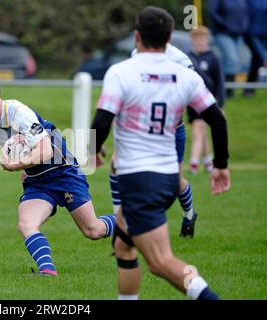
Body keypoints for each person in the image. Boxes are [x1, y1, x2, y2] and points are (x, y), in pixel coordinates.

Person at [90, 6, 230, 299]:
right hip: (167, 178)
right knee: (123, 246)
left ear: (136, 36)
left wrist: (94, 149)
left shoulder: (121, 72)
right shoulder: (185, 75)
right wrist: (220, 164)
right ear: (169, 40)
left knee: (160, 262)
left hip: (141, 180)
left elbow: (103, 119)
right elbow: (217, 118)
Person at [0, 75, 116, 276]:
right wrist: (23, 169)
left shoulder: (19, 112)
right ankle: (47, 271)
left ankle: (128, 221)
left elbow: (46, 151)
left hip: (63, 173)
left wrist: (16, 166)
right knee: (26, 224)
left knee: (93, 230)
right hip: (37, 181)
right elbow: (17, 147)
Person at [105, 43, 200, 237]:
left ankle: (189, 214)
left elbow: (189, 95)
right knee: (115, 165)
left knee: (175, 181)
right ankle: (118, 219)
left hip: (170, 131)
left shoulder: (180, 60)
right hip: (140, 127)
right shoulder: (136, 55)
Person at [187, 26, 225, 174]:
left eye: (202, 39)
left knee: (198, 130)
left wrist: (220, 104)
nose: (200, 42)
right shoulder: (188, 57)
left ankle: (194, 163)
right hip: (192, 101)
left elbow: (220, 81)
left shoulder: (213, 58)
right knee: (200, 131)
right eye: (196, 40)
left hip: (207, 101)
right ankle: (208, 161)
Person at [207, 0, 249, 98]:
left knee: (232, 63)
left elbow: (246, 13)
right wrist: (227, 25)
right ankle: (228, 92)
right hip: (222, 33)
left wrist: (243, 26)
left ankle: (227, 91)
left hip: (238, 34)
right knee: (232, 60)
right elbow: (213, 13)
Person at [243, 0, 267, 97]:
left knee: (256, 61)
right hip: (251, 33)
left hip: (264, 35)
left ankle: (249, 90)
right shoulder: (247, 1)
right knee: (263, 58)